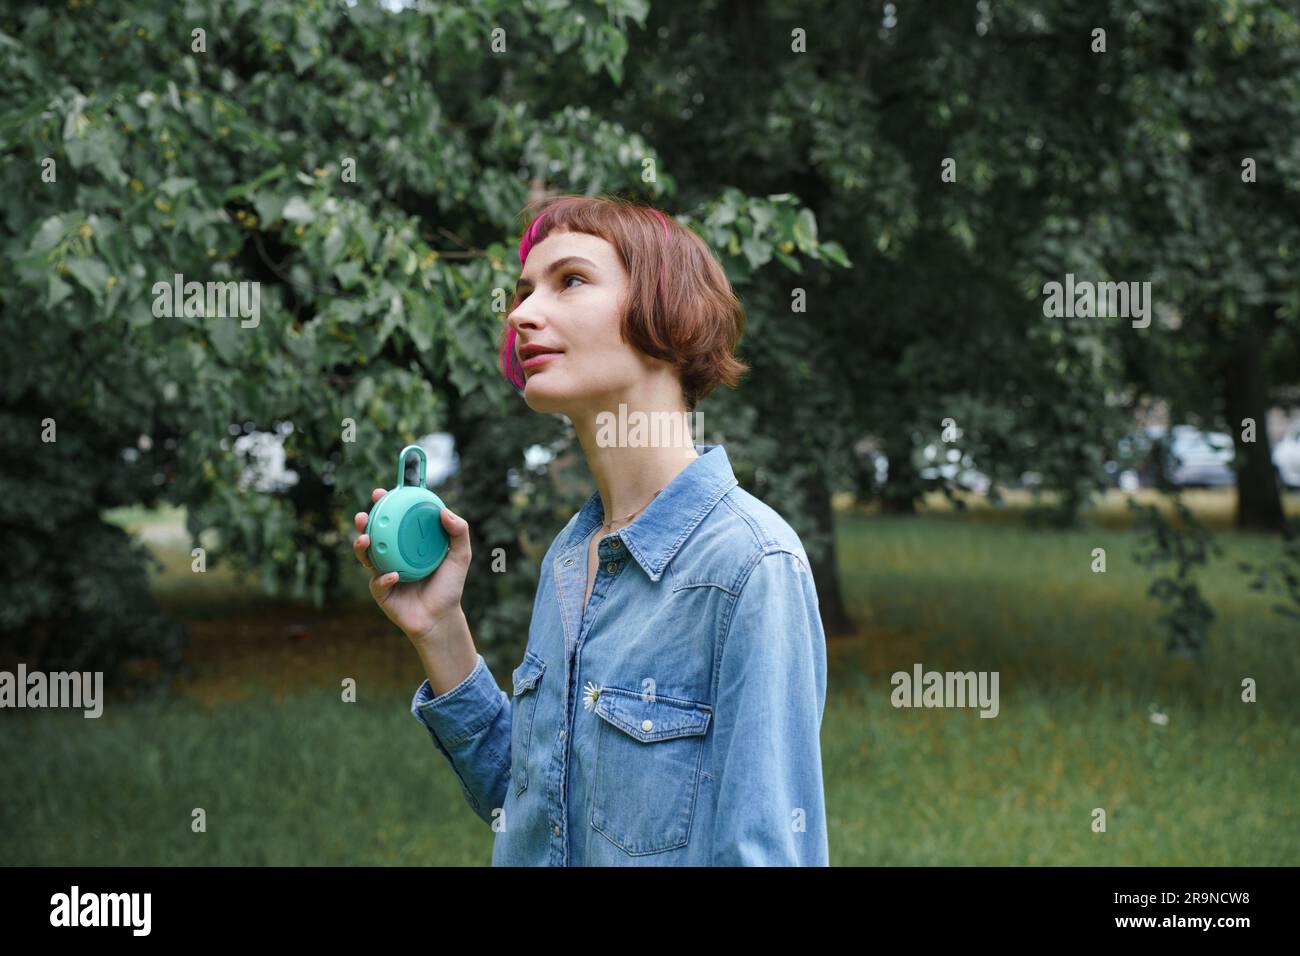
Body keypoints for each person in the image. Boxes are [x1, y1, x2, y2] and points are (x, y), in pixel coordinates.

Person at [352, 194, 829, 865]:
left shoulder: (751, 565)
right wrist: (439, 629)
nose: (521, 313)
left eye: (570, 281)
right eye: (521, 292)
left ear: (668, 311)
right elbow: (530, 810)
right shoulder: (573, 556)